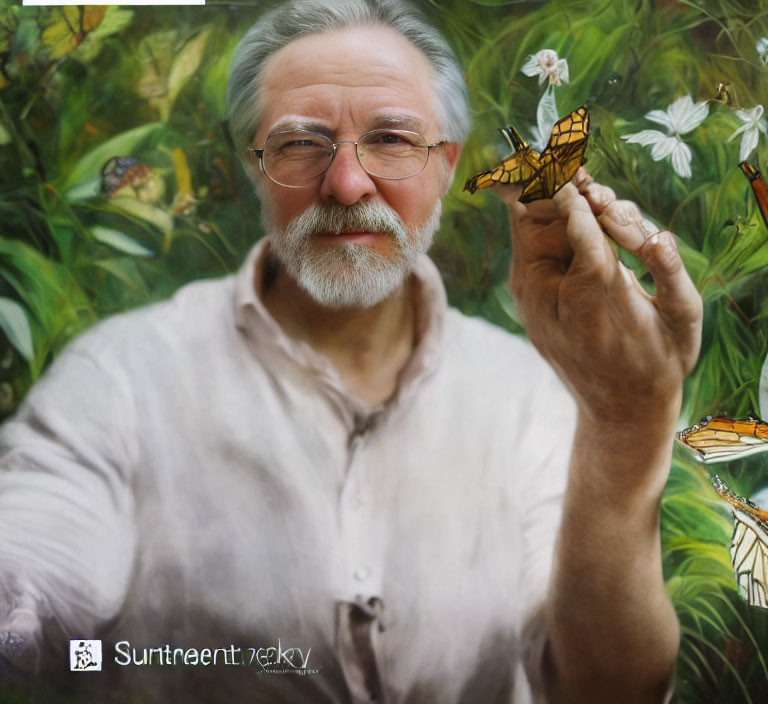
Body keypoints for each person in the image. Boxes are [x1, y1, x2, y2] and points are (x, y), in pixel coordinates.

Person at [0, 1, 701, 702]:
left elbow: (605, 690)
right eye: (300, 144)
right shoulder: (120, 378)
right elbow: (32, 576)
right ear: (255, 167)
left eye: (392, 139)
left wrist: (624, 417)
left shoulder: (526, 400)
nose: (345, 184)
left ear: (447, 166)